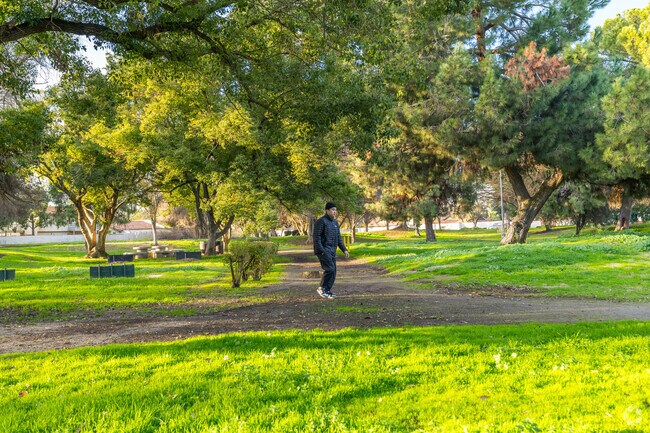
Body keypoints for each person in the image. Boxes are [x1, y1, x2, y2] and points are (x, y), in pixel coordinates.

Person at [313, 202, 349, 299]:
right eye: (332, 209)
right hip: (323, 250)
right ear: (327, 210)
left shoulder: (335, 223)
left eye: (335, 210)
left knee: (333, 272)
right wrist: (322, 250)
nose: (334, 212)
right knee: (330, 269)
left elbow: (338, 238)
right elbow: (316, 237)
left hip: (332, 250)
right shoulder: (321, 221)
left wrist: (344, 250)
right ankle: (321, 288)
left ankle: (327, 290)